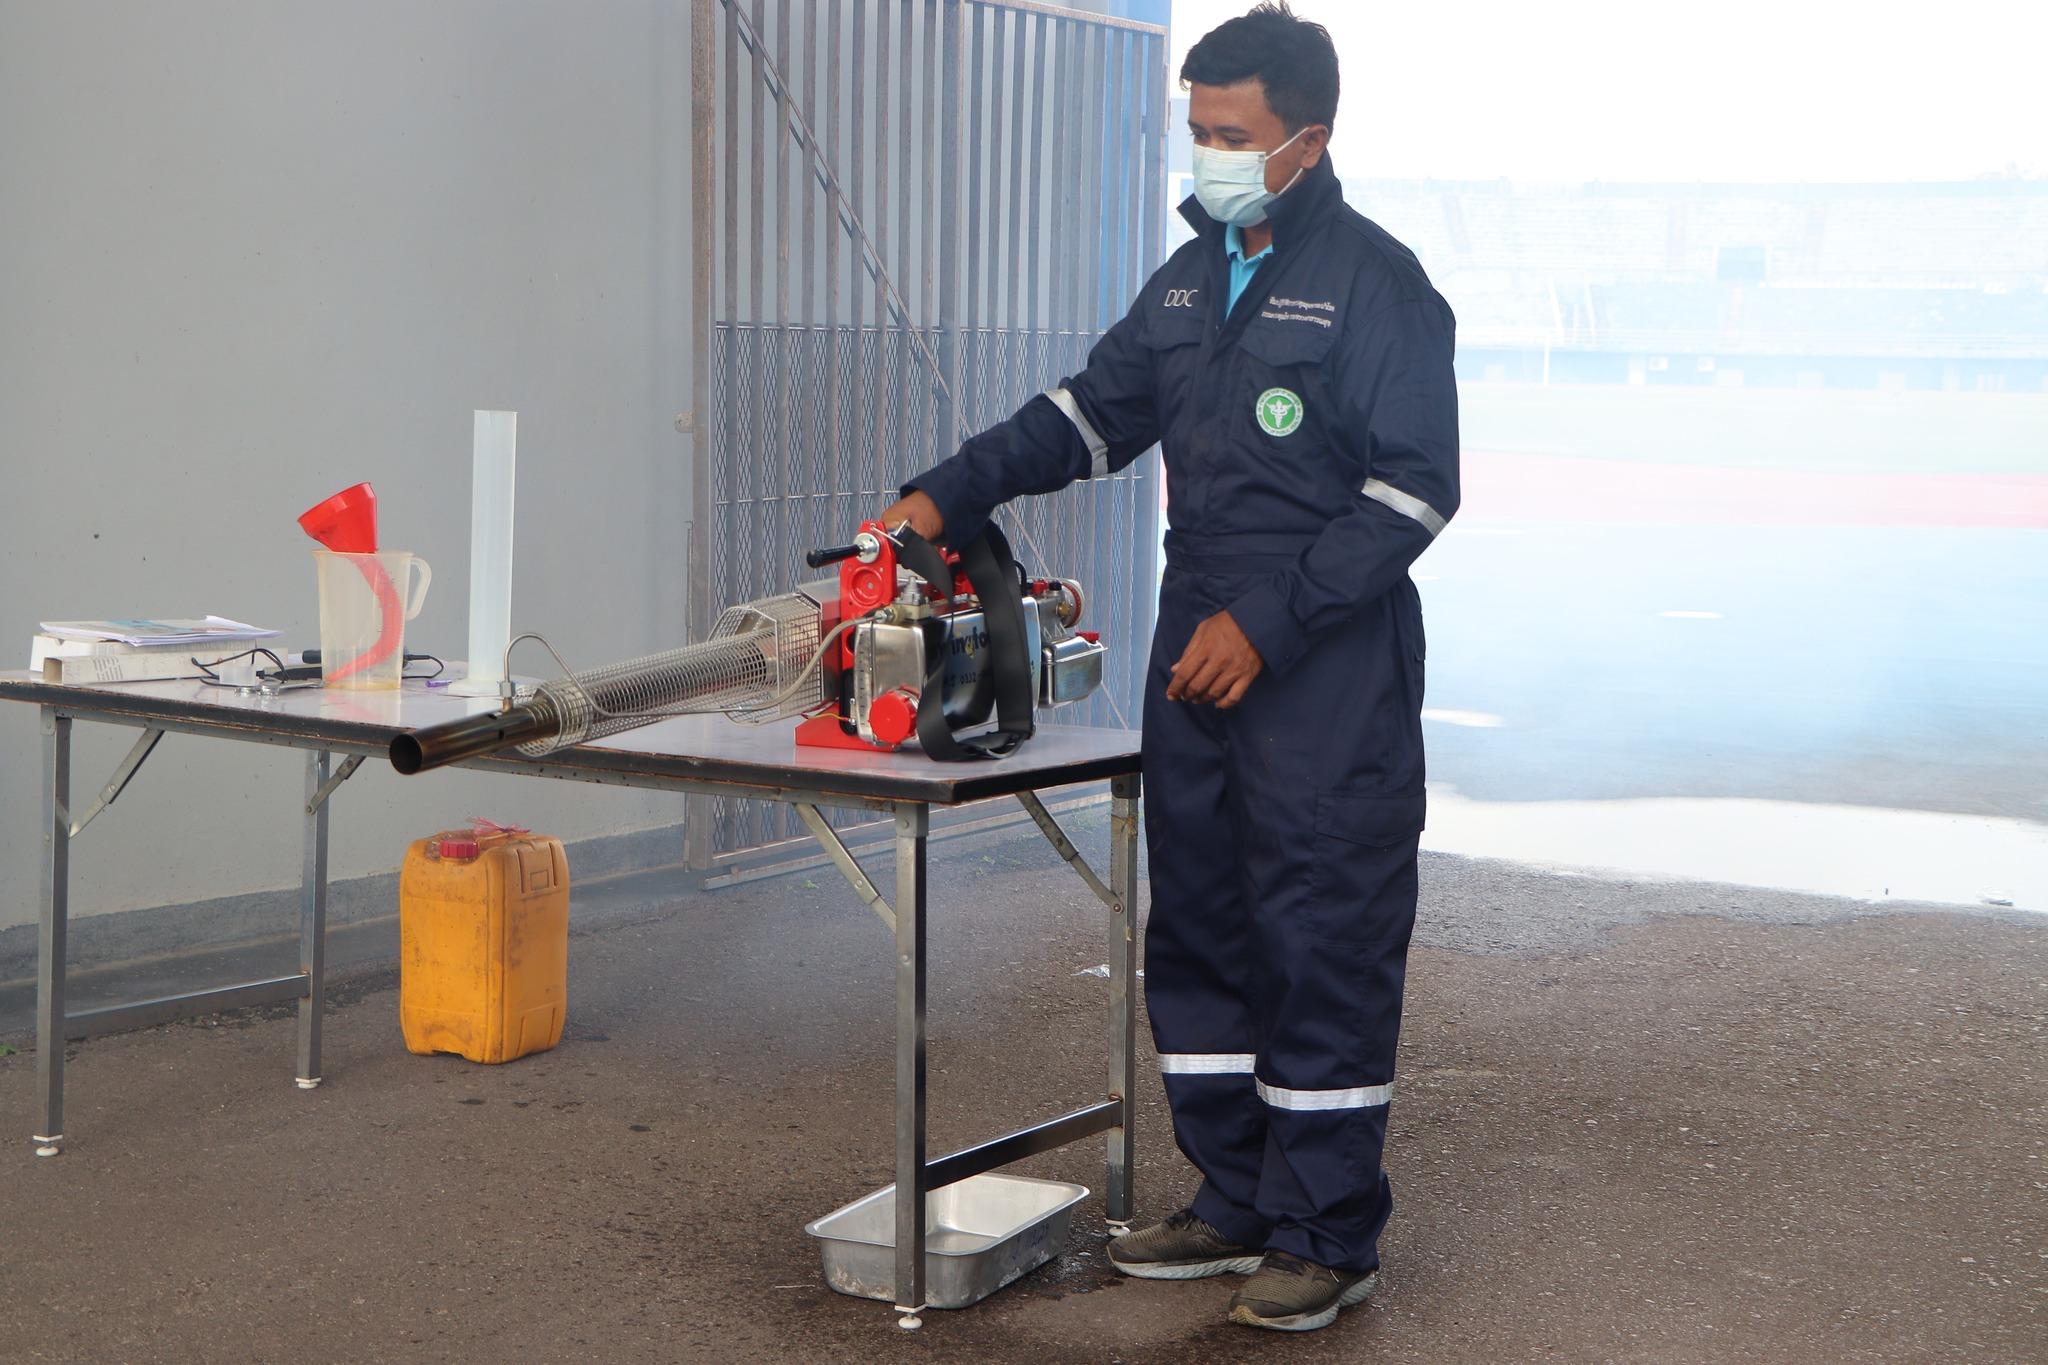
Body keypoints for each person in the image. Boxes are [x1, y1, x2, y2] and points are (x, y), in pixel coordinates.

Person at [880, 1, 1458, 1334]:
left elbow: (1416, 491)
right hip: (1197, 642)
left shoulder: (1379, 287)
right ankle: (1234, 1195)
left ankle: (1327, 1232)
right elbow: (1090, 414)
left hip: (1322, 664)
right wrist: (951, 489)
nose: (1209, 155)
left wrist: (1268, 622)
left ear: (1308, 141)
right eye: (1198, 131)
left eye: (1234, 135)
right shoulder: (1191, 280)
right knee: (1200, 921)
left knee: (1319, 929)